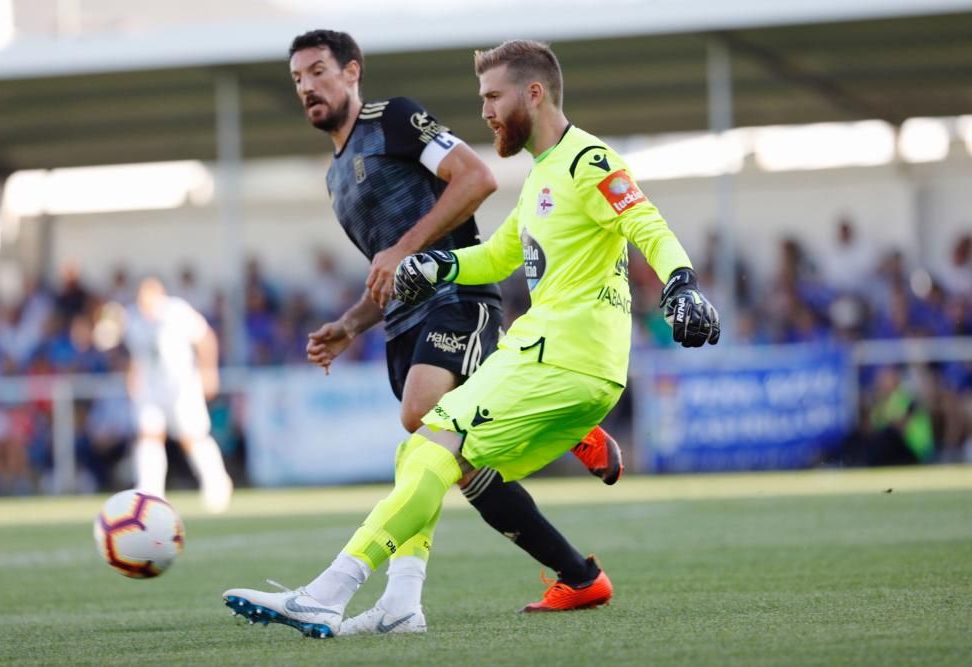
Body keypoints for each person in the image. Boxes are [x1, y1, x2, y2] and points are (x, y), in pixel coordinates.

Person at [224, 39, 719, 638]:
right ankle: (407, 602)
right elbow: (496, 253)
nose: (483, 112)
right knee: (432, 455)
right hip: (561, 364)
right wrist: (439, 266)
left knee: (430, 443)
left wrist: (682, 284)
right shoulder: (543, 174)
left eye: (492, 97)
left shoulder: (587, 160)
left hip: (560, 358)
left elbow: (646, 220)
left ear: (533, 94)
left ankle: (329, 593)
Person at [284, 30, 624, 634]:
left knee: (423, 420)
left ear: (352, 71)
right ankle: (572, 576)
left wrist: (406, 247)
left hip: (458, 297)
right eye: (298, 79)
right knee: (447, 462)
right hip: (402, 322)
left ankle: (574, 429)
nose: (308, 86)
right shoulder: (335, 178)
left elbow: (475, 178)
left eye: (318, 71)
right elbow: (387, 272)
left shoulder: (393, 119)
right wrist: (349, 324)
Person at [98, 277, 233, 513]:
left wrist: (208, 371)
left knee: (192, 437)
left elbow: (205, 338)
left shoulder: (177, 311)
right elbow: (134, 353)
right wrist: (132, 376)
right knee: (149, 436)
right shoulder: (132, 318)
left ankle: (217, 482)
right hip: (150, 388)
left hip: (181, 385)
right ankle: (150, 492)